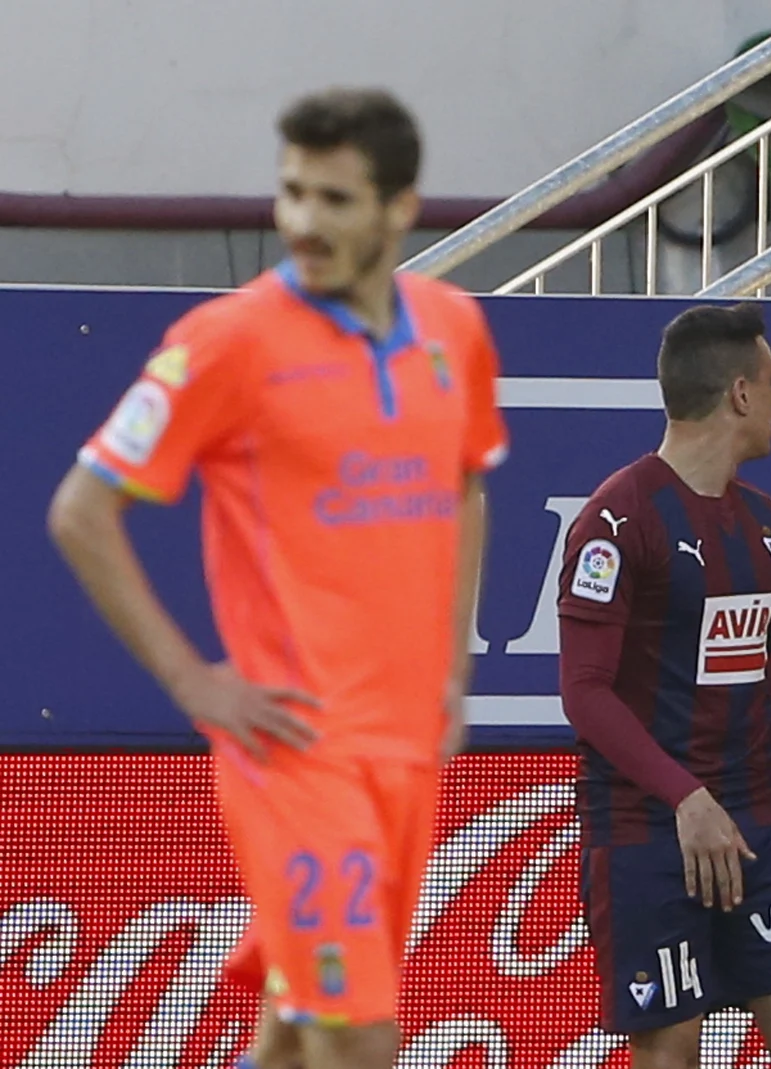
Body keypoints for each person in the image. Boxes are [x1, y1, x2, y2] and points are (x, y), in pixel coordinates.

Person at [46, 88, 506, 1069]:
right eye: (292, 191)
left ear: (398, 208)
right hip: (294, 749)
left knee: (297, 1032)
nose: (301, 220)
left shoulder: (453, 329)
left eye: (334, 199)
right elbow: (80, 510)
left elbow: (465, 484)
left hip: (404, 747)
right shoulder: (228, 339)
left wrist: (451, 671)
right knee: (361, 1036)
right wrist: (192, 682)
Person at [555, 303, 771, 1069]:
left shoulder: (765, 521)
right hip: (650, 831)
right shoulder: (616, 520)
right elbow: (585, 692)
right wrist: (685, 797)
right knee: (672, 1051)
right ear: (741, 393)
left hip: (755, 824)